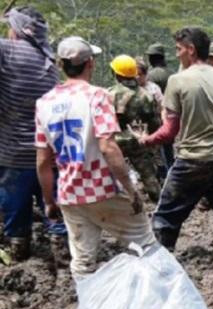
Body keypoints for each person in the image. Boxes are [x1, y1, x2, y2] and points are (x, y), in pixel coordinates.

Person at [35, 36, 155, 281]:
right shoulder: (97, 96)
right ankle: (160, 302)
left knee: (82, 263)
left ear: (60, 65)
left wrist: (49, 201)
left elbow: (42, 161)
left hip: (71, 194)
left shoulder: (44, 103)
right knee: (146, 245)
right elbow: (108, 147)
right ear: (90, 63)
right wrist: (131, 191)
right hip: (105, 189)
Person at [138, 27, 213, 251]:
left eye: (179, 49)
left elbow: (169, 132)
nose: (177, 54)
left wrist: (145, 140)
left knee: (165, 220)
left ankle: (158, 271)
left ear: (191, 50)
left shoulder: (177, 81)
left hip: (189, 162)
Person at [0, 6, 66, 264]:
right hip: (47, 152)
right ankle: (61, 248)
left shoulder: (6, 49)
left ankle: (19, 249)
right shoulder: (48, 60)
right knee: (52, 200)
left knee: (15, 204)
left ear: (16, 28)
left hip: (13, 152)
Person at [107, 55, 162, 202]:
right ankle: (158, 202)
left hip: (115, 143)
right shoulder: (146, 95)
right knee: (148, 175)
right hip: (139, 141)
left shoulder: (109, 94)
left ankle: (118, 201)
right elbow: (155, 123)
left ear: (116, 74)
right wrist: (152, 142)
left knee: (111, 173)